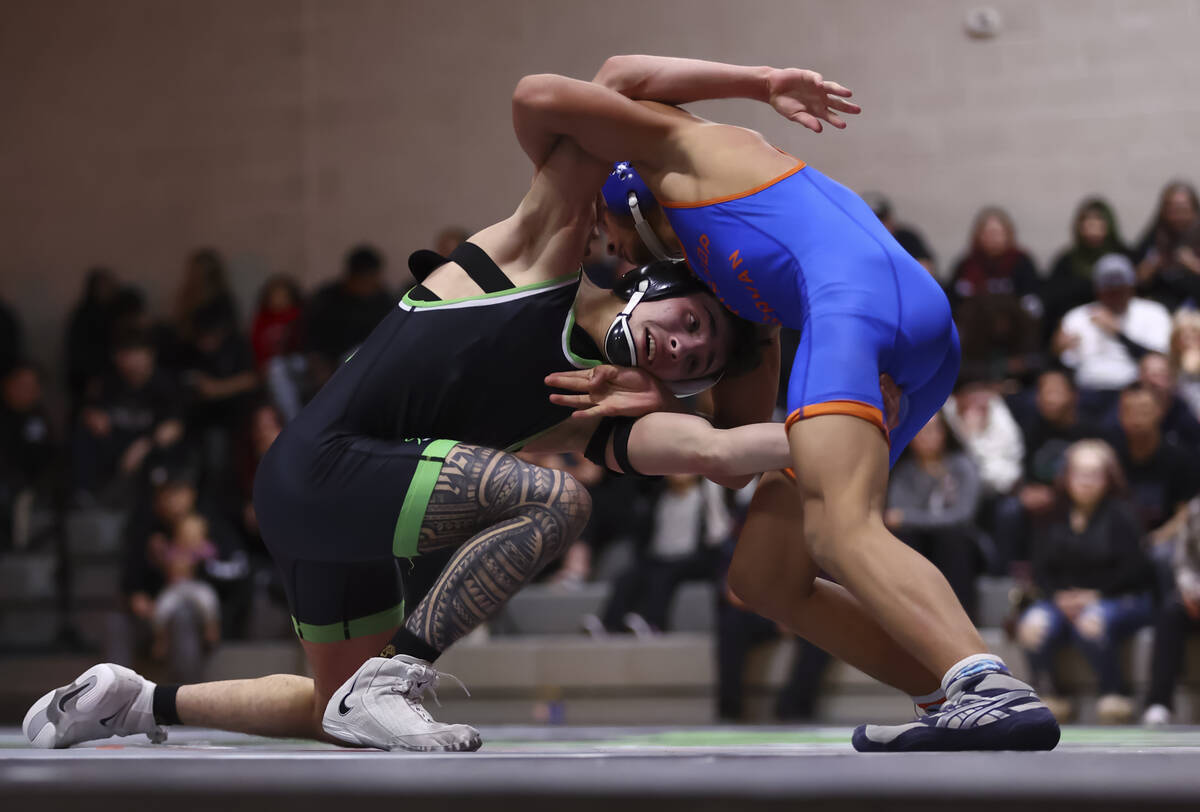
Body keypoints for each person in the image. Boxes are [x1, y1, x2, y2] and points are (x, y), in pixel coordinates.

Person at [24, 100, 815, 752]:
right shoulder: (537, 257)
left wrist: (832, 399)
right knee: (558, 504)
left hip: (341, 507)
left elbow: (726, 453)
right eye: (689, 321)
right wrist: (731, 155)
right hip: (322, 467)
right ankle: (397, 673)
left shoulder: (592, 410)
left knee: (337, 716)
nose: (680, 345)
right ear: (655, 280)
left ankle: (134, 701)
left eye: (697, 357)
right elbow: (585, 101)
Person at [527, 54, 1059, 750]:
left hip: (856, 306)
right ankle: (947, 702)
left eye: (611, 241)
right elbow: (735, 454)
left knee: (840, 527)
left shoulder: (680, 156)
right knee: (766, 573)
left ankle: (985, 685)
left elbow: (591, 81)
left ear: (619, 201)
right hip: (905, 336)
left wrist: (761, 83)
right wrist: (654, 392)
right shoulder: (733, 289)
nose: (621, 261)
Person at [1015, 440, 1155, 723]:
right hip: (1062, 599)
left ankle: (1114, 691)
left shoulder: (1122, 514)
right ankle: (1050, 691)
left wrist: (1096, 594)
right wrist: (1059, 597)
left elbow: (1135, 569)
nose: (1086, 482)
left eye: (1094, 474)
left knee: (1091, 622)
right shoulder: (1051, 513)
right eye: (1079, 473)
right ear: (1066, 477)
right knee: (1031, 625)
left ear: (1108, 478)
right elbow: (1041, 568)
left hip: (1117, 597)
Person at [885, 412, 983, 619]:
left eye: (932, 429)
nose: (925, 436)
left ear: (945, 432)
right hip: (918, 542)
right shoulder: (904, 470)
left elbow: (962, 515)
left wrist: (912, 517)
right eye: (919, 430)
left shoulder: (962, 466)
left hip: (958, 542)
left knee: (952, 540)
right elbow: (895, 515)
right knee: (903, 541)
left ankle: (962, 617)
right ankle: (906, 616)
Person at [1055, 253, 1172, 417]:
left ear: (1131, 287)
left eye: (1120, 289)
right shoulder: (1078, 316)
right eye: (1108, 290)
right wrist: (1057, 350)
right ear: (1097, 290)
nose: (1115, 296)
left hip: (1135, 388)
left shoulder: (1153, 313)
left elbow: (1158, 360)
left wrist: (1118, 333)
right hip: (1088, 390)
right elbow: (1066, 364)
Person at [1143, 495, 1200, 725]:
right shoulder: (1196, 509)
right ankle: (1159, 703)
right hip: (1196, 595)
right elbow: (1183, 560)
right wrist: (1190, 590)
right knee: (1170, 613)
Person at [1043, 198, 1129, 340]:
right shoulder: (1067, 260)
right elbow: (1054, 297)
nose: (1092, 227)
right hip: (1077, 327)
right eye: (1088, 222)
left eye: (1098, 221)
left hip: (1119, 321)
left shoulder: (1123, 256)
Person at [1135, 181, 1200, 312]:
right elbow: (1135, 281)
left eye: (1183, 209)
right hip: (1160, 311)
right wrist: (1151, 266)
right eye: (1173, 210)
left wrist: (1193, 264)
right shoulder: (1155, 237)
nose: (1178, 216)